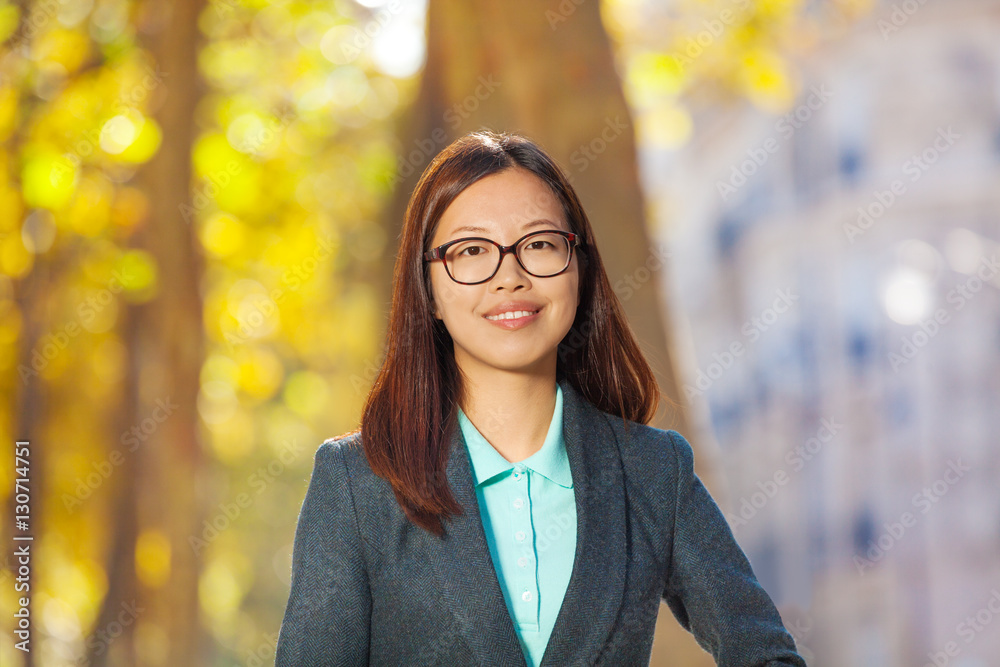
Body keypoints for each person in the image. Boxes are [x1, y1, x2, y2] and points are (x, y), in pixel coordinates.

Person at [275, 130, 807, 666]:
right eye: (471, 251)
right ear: (428, 288)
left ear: (579, 268)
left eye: (539, 245)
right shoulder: (357, 483)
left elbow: (767, 656)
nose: (510, 277)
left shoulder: (652, 472)